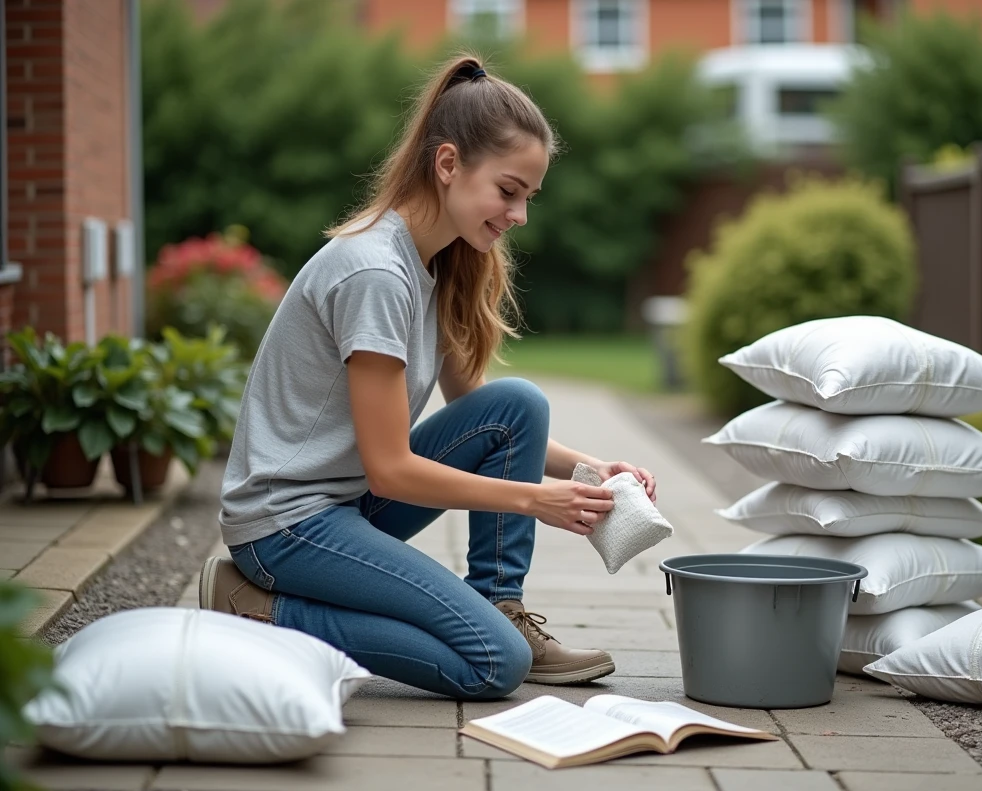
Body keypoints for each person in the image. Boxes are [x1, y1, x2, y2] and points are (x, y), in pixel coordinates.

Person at [198, 55, 658, 699]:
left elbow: (491, 421)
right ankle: (255, 606)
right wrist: (536, 501)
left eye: (528, 196)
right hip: (286, 526)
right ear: (447, 165)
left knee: (517, 403)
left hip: (346, 506)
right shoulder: (376, 273)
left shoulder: (434, 264)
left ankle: (500, 606)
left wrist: (591, 470)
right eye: (508, 190)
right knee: (493, 665)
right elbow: (391, 468)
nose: (520, 214)